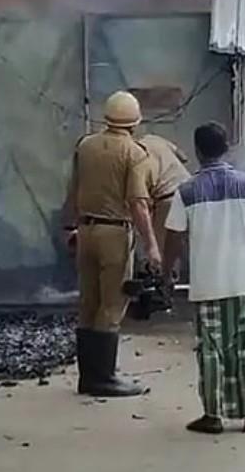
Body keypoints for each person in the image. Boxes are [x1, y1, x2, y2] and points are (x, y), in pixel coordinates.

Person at [161, 122, 245, 434]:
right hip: (242, 281)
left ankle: (212, 415)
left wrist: (167, 271)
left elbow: (173, 235)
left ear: (198, 151)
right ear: (226, 147)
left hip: (206, 285)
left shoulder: (186, 191)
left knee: (210, 351)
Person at [62, 91, 162, 397]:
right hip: (115, 234)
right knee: (112, 305)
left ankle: (87, 376)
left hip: (86, 231)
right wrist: (153, 246)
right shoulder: (136, 153)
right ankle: (104, 377)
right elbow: (138, 204)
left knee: (87, 304)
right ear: (135, 121)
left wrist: (71, 227)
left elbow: (72, 190)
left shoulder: (85, 145)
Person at [137, 133, 191, 277]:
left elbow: (141, 196)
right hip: (191, 190)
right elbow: (184, 157)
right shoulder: (155, 139)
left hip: (168, 197)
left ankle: (165, 283)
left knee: (163, 248)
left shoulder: (136, 154)